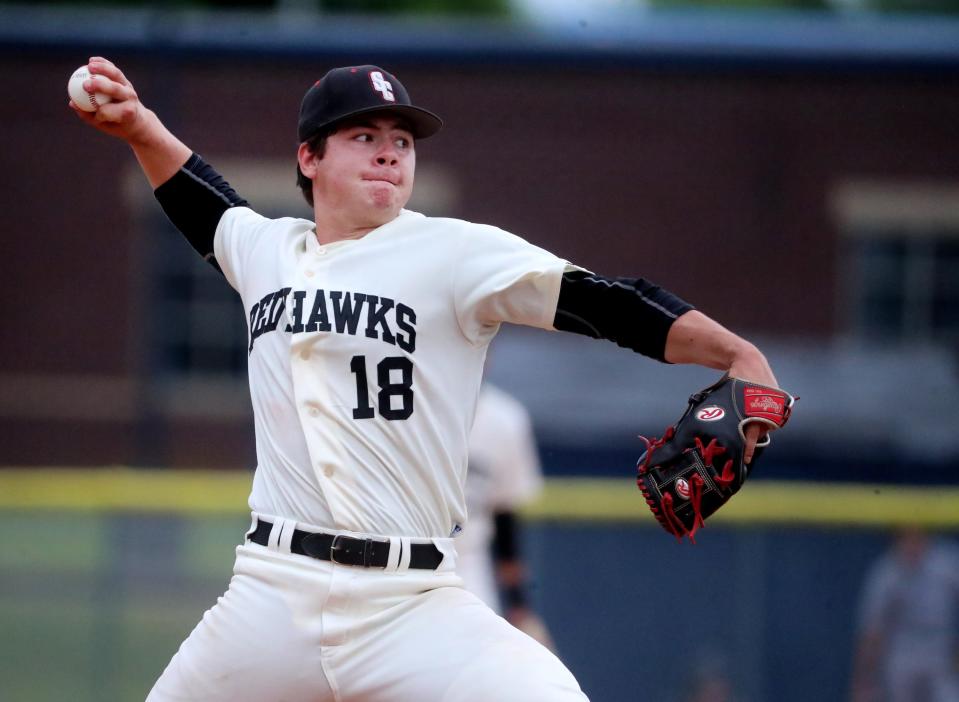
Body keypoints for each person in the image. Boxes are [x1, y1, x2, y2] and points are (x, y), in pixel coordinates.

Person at [71, 56, 782, 702]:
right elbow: (202, 200)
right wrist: (139, 126)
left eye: (401, 140)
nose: (388, 149)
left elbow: (604, 300)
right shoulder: (266, 250)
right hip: (271, 596)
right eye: (363, 135)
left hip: (411, 603)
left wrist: (734, 355)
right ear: (308, 157)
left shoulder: (455, 252)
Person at [460, 381, 555, 648]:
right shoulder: (399, 400)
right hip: (393, 561)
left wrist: (519, 605)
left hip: (466, 566)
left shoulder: (504, 419)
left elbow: (504, 518)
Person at [850, 527, 959, 702]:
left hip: (940, 650)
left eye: (916, 537)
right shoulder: (887, 571)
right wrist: (863, 679)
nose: (911, 545)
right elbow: (872, 632)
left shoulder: (947, 562)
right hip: (903, 651)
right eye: (905, 538)